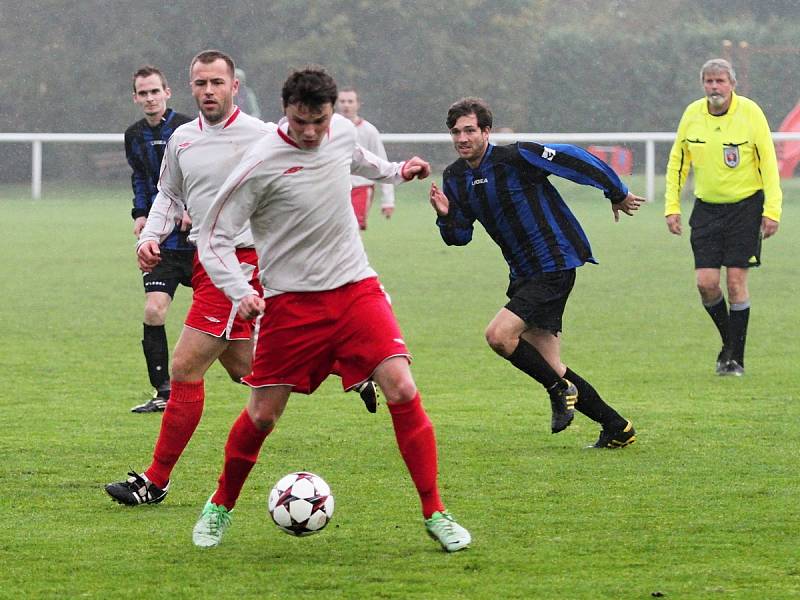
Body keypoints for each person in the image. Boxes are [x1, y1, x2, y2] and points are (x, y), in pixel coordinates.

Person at [192, 67, 471, 552]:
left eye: (318, 121)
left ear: (330, 113)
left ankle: (436, 512)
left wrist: (397, 171)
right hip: (290, 305)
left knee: (402, 386)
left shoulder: (339, 132)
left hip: (355, 289)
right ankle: (219, 505)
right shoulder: (259, 162)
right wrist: (240, 291)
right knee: (261, 415)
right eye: (301, 122)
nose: (310, 132)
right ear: (286, 112)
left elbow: (360, 160)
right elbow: (212, 238)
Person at [105, 50, 275, 506]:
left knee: (183, 368)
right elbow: (169, 194)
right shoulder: (182, 139)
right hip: (205, 262)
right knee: (248, 369)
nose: (208, 91)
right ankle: (352, 363)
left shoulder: (263, 136)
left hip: (238, 265)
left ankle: (155, 480)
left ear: (234, 86)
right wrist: (150, 236)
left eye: (217, 82)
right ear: (191, 86)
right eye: (201, 83)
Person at [429, 97, 643, 449]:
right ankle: (617, 427)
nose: (462, 138)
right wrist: (445, 215)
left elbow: (574, 158)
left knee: (499, 336)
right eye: (456, 132)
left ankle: (559, 390)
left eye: (469, 130)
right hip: (524, 273)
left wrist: (615, 191)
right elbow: (459, 237)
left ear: (486, 131)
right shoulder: (454, 178)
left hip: (555, 262)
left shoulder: (516, 156)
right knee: (550, 363)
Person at [664, 58, 782, 376]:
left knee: (735, 282)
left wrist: (772, 210)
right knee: (706, 284)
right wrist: (672, 206)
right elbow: (678, 161)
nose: (714, 87)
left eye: (720, 81)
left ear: (732, 84)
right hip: (706, 209)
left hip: (746, 207)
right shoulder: (692, 115)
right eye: (709, 81)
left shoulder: (750, 113)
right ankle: (730, 342)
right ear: (703, 84)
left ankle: (735, 359)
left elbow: (768, 163)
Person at [125, 66, 194, 413]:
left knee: (245, 315)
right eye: (143, 93)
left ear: (167, 92)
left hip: (196, 240)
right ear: (135, 97)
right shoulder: (134, 135)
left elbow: (202, 173)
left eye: (155, 91)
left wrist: (192, 207)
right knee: (154, 309)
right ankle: (163, 392)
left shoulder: (187, 127)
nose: (150, 98)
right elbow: (140, 177)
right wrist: (140, 213)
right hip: (161, 241)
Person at [336, 87, 396, 229]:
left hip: (360, 188)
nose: (346, 105)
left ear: (358, 104)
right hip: (335, 187)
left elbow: (382, 164)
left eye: (350, 101)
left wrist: (388, 200)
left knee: (353, 230)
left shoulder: (369, 131)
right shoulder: (329, 128)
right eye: (342, 101)